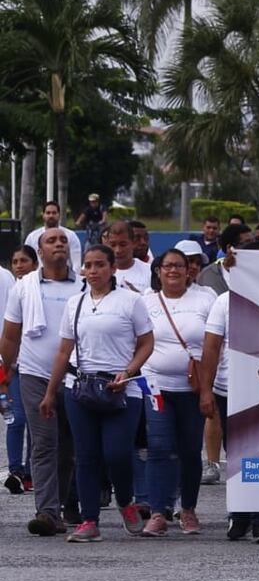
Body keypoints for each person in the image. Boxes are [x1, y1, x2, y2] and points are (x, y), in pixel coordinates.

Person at [40, 244, 154, 542]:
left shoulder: (131, 301)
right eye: (88, 265)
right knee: (86, 456)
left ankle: (126, 501)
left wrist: (129, 371)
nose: (93, 271)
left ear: (112, 268)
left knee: (116, 453)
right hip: (80, 388)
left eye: (100, 265)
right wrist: (51, 393)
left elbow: (146, 343)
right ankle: (89, 520)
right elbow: (64, 350)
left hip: (121, 389)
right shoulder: (74, 303)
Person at [0, 228, 85, 535]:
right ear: (41, 251)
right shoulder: (24, 288)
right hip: (35, 375)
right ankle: (46, 511)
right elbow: (11, 335)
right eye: (52, 241)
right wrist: (4, 375)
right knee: (44, 443)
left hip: (77, 378)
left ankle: (59, 507)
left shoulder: (84, 285)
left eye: (63, 240)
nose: (59, 244)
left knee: (68, 446)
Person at [198, 241, 259, 545]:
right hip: (229, 391)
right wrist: (205, 391)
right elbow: (210, 349)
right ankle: (240, 515)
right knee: (237, 457)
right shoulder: (224, 302)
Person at [140, 247, 215, 537]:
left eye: (179, 266)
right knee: (159, 448)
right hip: (156, 385)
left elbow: (214, 346)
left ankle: (188, 510)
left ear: (189, 271)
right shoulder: (145, 302)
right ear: (158, 271)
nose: (173, 271)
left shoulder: (205, 298)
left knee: (188, 451)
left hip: (193, 388)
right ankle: (158, 512)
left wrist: (208, 388)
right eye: (167, 266)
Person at [3, 244, 38, 495]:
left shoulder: (40, 291)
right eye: (15, 261)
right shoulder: (9, 287)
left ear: (35, 264)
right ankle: (15, 470)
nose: (19, 266)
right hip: (12, 365)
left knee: (37, 421)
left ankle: (31, 471)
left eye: (24, 260)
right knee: (16, 418)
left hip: (36, 366)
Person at [196, 224, 252, 296]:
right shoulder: (207, 275)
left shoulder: (258, 272)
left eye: (253, 242)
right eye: (247, 243)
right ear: (230, 248)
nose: (253, 247)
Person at [25, 201, 83, 267]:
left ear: (59, 215)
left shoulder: (71, 235)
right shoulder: (32, 237)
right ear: (43, 215)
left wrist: (73, 277)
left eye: (54, 213)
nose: (51, 216)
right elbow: (26, 260)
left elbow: (76, 263)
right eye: (48, 213)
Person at [102, 221, 152, 293]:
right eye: (113, 245)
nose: (118, 250)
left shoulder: (150, 271)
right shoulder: (100, 272)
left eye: (123, 245)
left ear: (132, 243)